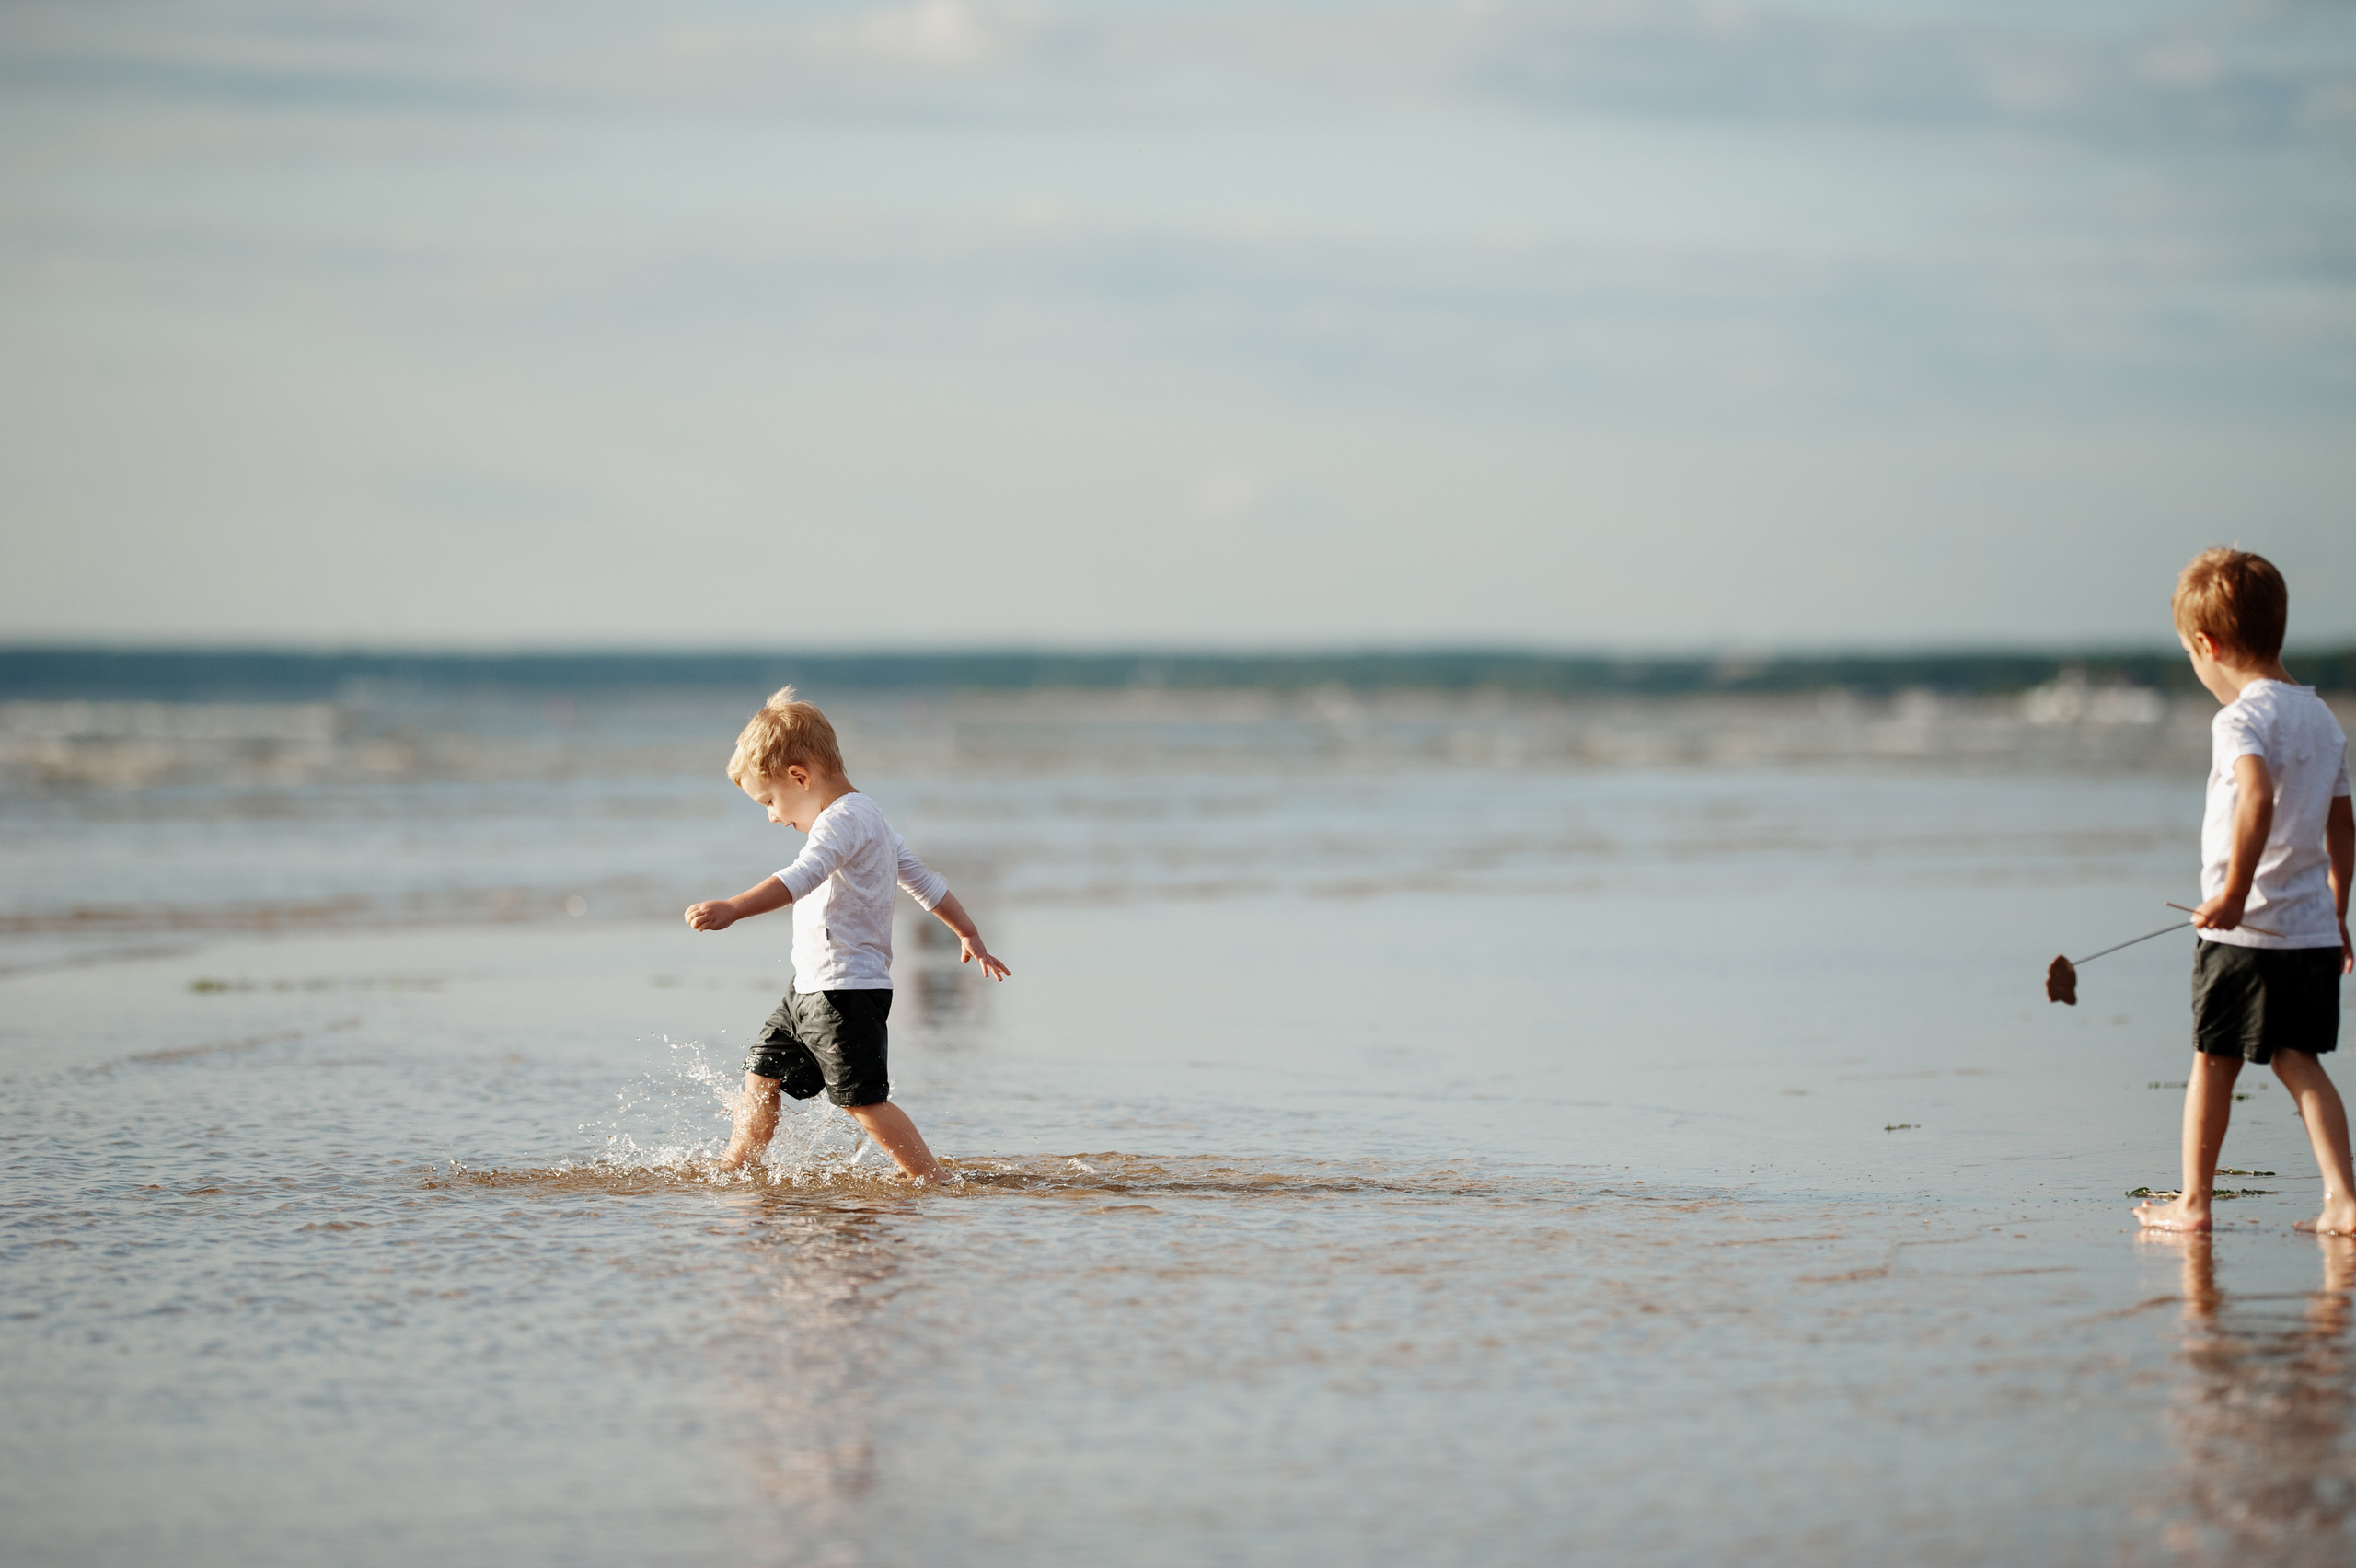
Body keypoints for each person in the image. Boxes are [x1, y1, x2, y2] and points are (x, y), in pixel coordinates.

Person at [685, 686, 1010, 1180]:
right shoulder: (870, 816)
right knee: (761, 1075)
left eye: (769, 800)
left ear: (800, 775)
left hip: (843, 991)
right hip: (809, 989)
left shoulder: (841, 822)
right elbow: (924, 881)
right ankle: (737, 1166)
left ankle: (930, 1176)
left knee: (862, 1102)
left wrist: (734, 907)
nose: (772, 815)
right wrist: (968, 932)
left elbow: (802, 876)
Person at [2136, 548, 2355, 1235]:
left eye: (2192, 656)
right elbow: (2343, 826)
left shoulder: (2239, 719)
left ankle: (2194, 1205)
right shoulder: (2322, 719)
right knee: (2301, 1062)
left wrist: (2233, 894)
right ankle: (2345, 1201)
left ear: (2208, 645)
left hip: (2244, 932)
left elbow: (2256, 797)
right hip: (2312, 931)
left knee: (2213, 1062)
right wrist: (2338, 910)